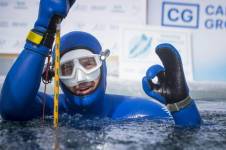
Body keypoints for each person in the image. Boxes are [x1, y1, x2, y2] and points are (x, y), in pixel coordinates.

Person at [0, 0, 201, 127]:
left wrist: (181, 105)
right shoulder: (46, 109)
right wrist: (44, 27)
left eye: (88, 64)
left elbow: (190, 141)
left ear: (103, 67)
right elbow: (11, 110)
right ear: (55, 75)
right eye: (68, 69)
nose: (80, 77)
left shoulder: (142, 113)